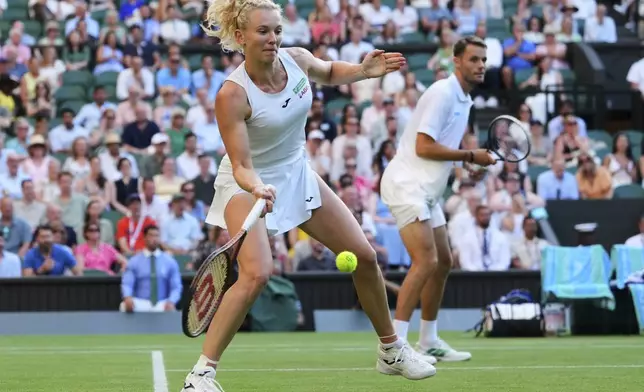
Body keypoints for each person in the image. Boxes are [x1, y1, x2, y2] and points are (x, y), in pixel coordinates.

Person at [181, 1, 436, 391]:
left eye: (276, 31)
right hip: (245, 184)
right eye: (263, 31)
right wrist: (255, 187)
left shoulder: (296, 59)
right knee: (256, 274)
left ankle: (391, 351)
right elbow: (241, 163)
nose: (273, 39)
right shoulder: (231, 94)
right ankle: (201, 374)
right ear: (240, 37)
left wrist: (363, 72)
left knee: (365, 257)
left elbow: (330, 71)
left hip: (297, 174)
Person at [380, 36, 497, 363]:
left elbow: (441, 151)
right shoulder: (443, 93)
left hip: (428, 190)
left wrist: (465, 166)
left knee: (443, 261)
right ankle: (395, 346)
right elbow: (423, 147)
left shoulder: (464, 99)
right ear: (456, 61)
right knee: (426, 261)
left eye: (483, 60)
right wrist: (471, 153)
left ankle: (428, 340)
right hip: (406, 184)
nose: (480, 66)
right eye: (474, 59)